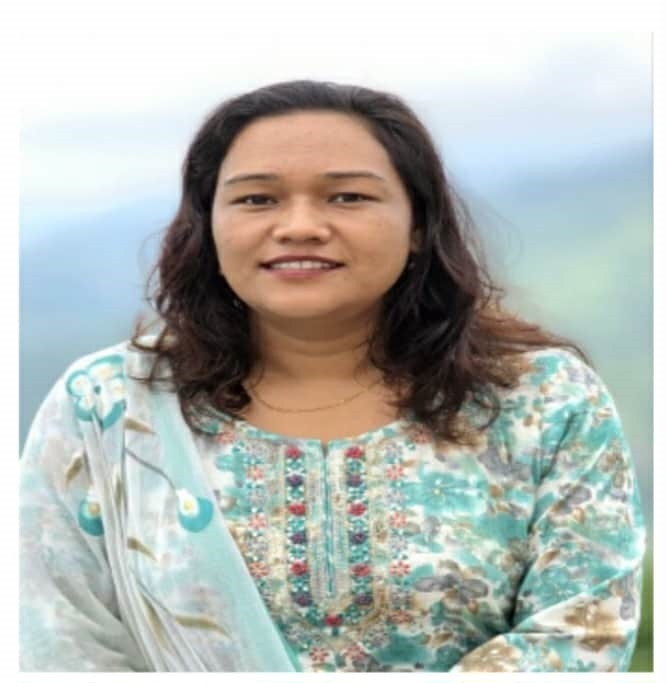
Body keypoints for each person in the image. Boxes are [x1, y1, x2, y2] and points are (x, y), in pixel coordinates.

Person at [20, 80, 645, 672]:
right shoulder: (107, 406)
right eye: (257, 199)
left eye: (348, 197)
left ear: (419, 225)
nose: (299, 226)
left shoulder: (541, 398)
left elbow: (581, 632)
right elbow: (56, 636)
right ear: (208, 226)